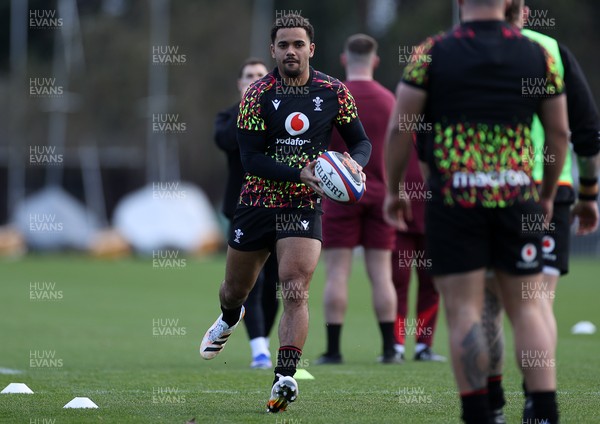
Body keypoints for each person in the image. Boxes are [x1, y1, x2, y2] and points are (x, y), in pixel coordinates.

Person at [383, 0, 569, 422]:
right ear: (508, 3)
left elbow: (401, 127)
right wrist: (544, 192)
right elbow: (559, 131)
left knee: (465, 309)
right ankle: (544, 412)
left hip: (455, 198)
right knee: (528, 306)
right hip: (516, 194)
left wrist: (394, 191)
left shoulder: (430, 52)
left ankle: (479, 415)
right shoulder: (536, 53)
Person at [200, 13, 371, 413]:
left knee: (295, 287)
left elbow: (360, 141)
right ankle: (228, 317)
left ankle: (284, 377)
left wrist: (356, 164)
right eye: (283, 45)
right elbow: (250, 158)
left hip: (302, 204)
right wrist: (301, 171)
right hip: (257, 201)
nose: (291, 51)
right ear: (272, 50)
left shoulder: (334, 91)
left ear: (311, 48)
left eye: (298, 44)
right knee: (235, 290)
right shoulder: (256, 96)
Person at [482, 1, 600, 421]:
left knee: (486, 305)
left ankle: (491, 404)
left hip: (484, 191)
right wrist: (589, 193)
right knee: (537, 302)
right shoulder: (551, 50)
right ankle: (537, 403)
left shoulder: (459, 48)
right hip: (551, 190)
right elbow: (585, 130)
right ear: (524, 13)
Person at [314, 34, 399, 365]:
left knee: (337, 272)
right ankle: (391, 349)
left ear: (344, 60)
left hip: (340, 194)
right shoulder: (390, 100)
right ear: (375, 61)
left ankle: (334, 351)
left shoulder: (333, 96)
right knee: (382, 273)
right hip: (379, 192)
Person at [214, 58, 279, 370]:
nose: (254, 80)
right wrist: (248, 105)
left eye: (260, 76)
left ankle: (261, 343)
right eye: (248, 77)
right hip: (243, 208)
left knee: (277, 283)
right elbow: (225, 141)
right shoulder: (229, 115)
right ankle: (260, 350)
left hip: (280, 208)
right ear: (240, 84)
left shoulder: (278, 114)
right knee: (250, 279)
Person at [392, 141, 445, 362]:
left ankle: (424, 345)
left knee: (431, 284)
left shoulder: (439, 121)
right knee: (397, 282)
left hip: (435, 217)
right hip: (400, 218)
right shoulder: (399, 125)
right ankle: (396, 345)